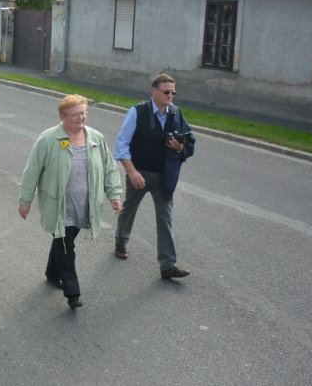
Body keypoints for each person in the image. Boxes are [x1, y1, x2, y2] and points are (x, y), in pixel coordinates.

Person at [19, 95, 122, 309]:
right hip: (58, 206)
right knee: (65, 244)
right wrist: (25, 200)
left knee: (63, 240)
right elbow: (32, 172)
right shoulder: (48, 139)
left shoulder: (96, 138)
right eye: (75, 114)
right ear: (63, 116)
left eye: (83, 113)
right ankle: (72, 292)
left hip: (85, 205)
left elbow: (109, 167)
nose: (81, 118)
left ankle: (51, 272)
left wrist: (114, 194)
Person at [113, 74, 195, 279]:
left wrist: (180, 146)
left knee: (165, 218)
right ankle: (121, 241)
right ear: (154, 91)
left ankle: (168, 265)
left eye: (173, 92)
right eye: (166, 92)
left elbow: (190, 142)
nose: (170, 96)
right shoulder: (137, 112)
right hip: (139, 173)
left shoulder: (176, 113)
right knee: (129, 209)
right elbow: (121, 144)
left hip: (164, 176)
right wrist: (132, 172)